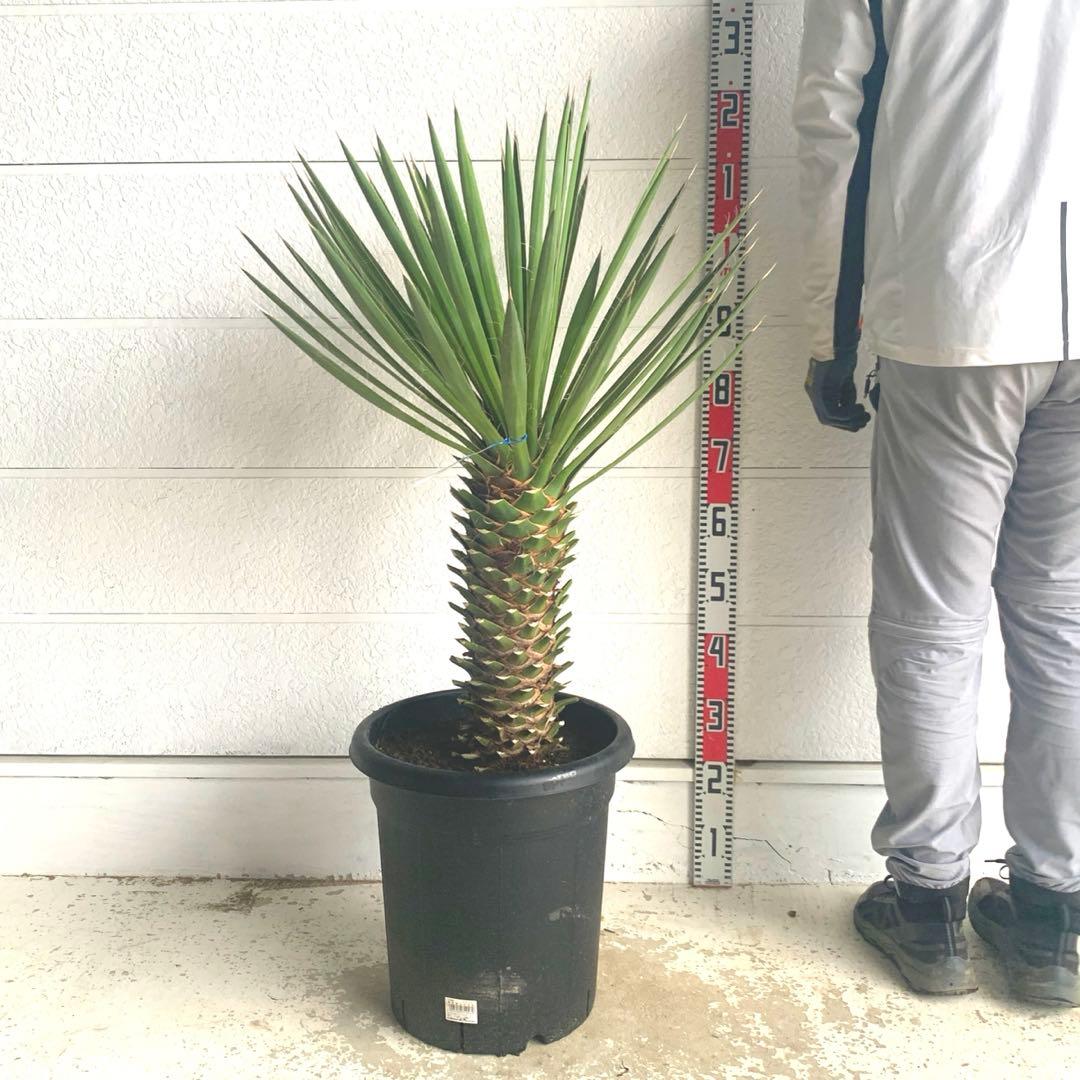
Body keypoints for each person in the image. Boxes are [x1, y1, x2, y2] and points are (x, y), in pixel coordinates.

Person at [793, 0, 1080, 1006]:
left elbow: (833, 126)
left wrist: (830, 337)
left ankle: (929, 905)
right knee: (1064, 621)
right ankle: (1053, 917)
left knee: (931, 621)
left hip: (961, 301)